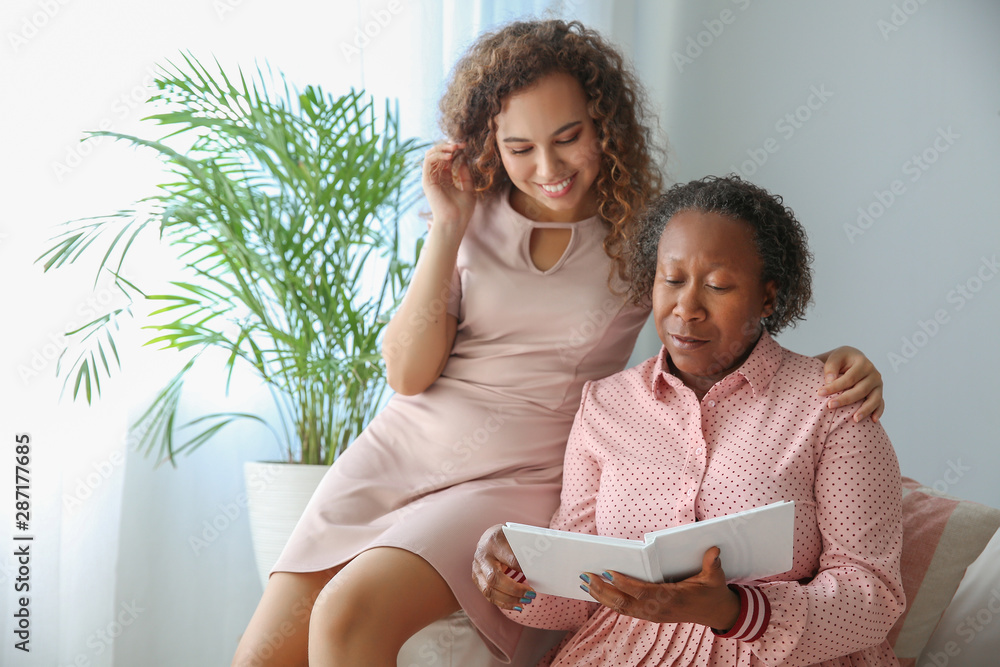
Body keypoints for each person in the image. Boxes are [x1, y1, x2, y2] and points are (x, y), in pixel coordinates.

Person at [231, 22, 885, 667]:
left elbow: (719, 302)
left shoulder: (642, 229)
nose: (548, 169)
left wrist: (834, 363)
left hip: (514, 474)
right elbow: (406, 372)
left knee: (348, 615)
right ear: (489, 143)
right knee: (258, 659)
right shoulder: (469, 210)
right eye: (519, 147)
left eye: (568, 138)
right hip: (398, 453)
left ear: (604, 124)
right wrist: (447, 228)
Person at [473, 174, 906, 667]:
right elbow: (578, 592)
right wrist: (518, 572)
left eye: (718, 285)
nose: (687, 307)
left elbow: (874, 595)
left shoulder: (833, 403)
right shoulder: (605, 404)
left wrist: (736, 611)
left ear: (768, 298)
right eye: (672, 280)